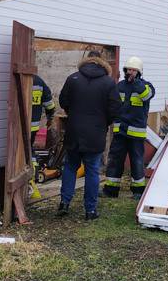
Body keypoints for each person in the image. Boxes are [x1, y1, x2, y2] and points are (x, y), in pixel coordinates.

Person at [57, 51, 120, 220]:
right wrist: (103, 122)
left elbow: (63, 101)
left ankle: (64, 202)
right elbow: (115, 109)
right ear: (102, 62)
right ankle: (90, 210)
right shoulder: (109, 83)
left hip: (74, 131)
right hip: (96, 133)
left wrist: (74, 114)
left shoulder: (73, 78)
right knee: (92, 171)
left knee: (70, 167)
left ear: (86, 61)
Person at [103, 56, 156, 200]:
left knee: (137, 162)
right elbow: (113, 104)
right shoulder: (119, 86)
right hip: (120, 131)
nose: (130, 72)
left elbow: (146, 96)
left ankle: (138, 192)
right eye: (128, 69)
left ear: (139, 72)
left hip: (136, 135)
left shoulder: (146, 86)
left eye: (134, 70)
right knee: (114, 160)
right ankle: (111, 190)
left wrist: (136, 83)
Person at [31, 74, 56, 147]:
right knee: (28, 148)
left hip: (15, 125)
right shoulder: (38, 81)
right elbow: (49, 105)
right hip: (32, 125)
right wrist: (50, 117)